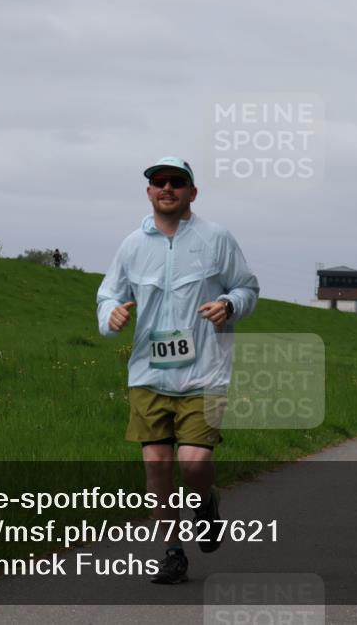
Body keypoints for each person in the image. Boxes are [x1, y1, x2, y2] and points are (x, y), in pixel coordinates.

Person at [97, 156, 259, 584]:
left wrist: (229, 304)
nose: (166, 187)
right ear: (149, 191)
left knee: (193, 464)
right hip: (148, 375)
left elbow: (247, 287)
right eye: (158, 181)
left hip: (204, 372)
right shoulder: (133, 244)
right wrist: (111, 314)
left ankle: (205, 503)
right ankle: (172, 552)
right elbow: (107, 295)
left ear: (192, 191)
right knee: (157, 466)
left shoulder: (216, 239)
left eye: (176, 182)